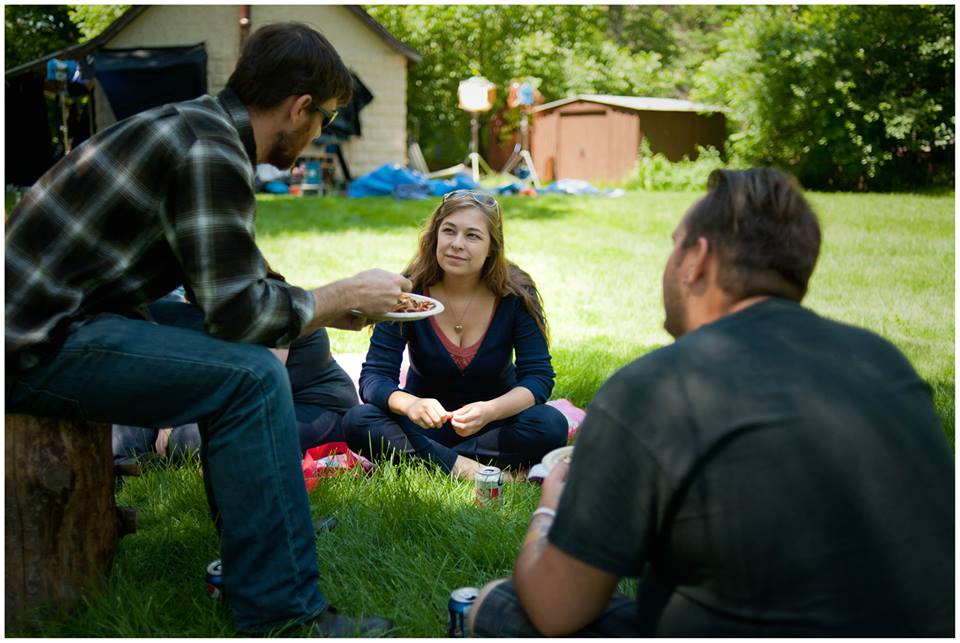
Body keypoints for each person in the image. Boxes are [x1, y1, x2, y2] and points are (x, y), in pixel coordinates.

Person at [6, 23, 410, 636]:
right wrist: (343, 295)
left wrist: (325, 308)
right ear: (299, 108)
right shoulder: (210, 148)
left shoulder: (201, 127)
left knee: (262, 353)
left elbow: (231, 271)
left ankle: (266, 533)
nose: (319, 131)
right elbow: (238, 311)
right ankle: (284, 613)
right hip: (34, 344)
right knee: (248, 380)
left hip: (69, 318)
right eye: (324, 118)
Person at [468, 168, 955, 637]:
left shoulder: (658, 386)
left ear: (697, 259)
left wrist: (551, 508)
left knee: (498, 607)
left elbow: (556, 609)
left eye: (674, 245)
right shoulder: (884, 360)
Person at [341, 190, 568, 480]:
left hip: (493, 425)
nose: (457, 244)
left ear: (491, 248)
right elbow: (374, 378)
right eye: (449, 231)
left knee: (550, 425)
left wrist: (489, 410)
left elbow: (538, 377)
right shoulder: (408, 292)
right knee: (359, 420)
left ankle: (431, 461)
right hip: (423, 425)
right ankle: (469, 469)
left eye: (472, 236)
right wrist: (411, 404)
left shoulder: (515, 294)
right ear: (435, 236)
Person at [113, 290, 359, 465]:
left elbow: (257, 384)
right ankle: (128, 461)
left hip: (315, 410)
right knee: (131, 404)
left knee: (196, 438)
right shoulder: (207, 315)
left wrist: (173, 423)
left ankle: (159, 452)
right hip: (258, 408)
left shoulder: (276, 309)